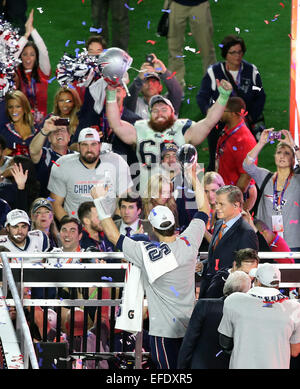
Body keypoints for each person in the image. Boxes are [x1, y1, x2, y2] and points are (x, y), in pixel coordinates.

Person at [91, 165, 210, 369]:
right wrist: (193, 177)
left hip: (163, 332)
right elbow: (204, 209)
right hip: (190, 328)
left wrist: (98, 201)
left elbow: (112, 235)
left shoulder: (146, 252)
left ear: (153, 229)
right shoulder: (190, 241)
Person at [105, 79, 233, 195]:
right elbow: (115, 124)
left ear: (173, 112)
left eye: (164, 109)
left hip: (180, 194)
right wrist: (111, 96)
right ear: (149, 115)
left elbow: (209, 121)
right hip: (148, 194)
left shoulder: (183, 128)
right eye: (155, 110)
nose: (159, 113)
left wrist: (223, 97)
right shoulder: (140, 128)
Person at [196, 34, 266, 171]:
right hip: (219, 126)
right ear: (225, 54)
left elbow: (260, 96)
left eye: (240, 52)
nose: (237, 56)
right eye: (233, 52)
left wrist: (250, 116)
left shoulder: (251, 71)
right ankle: (214, 187)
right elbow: (202, 97)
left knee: (246, 161)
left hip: (243, 125)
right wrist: (211, 115)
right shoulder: (214, 72)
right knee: (216, 160)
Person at [218, 263, 300, 369]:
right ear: (277, 285)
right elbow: (295, 351)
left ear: (258, 282)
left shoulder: (234, 300)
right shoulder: (294, 308)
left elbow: (225, 343)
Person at [48, 127, 133, 221]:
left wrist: (115, 224)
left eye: (93, 144)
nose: (89, 149)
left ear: (100, 146)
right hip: (76, 227)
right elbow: (55, 203)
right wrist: (69, 226)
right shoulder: (63, 165)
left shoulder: (116, 161)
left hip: (109, 224)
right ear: (78, 147)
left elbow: (126, 200)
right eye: (85, 145)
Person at [177, 270, 252, 369]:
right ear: (247, 292)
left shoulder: (204, 305)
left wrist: (181, 366)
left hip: (201, 363)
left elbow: (189, 341)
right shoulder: (248, 313)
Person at [243, 128, 300, 255]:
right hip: (266, 243)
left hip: (293, 245)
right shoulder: (265, 176)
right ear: (274, 156)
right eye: (279, 152)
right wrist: (261, 143)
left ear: (293, 159)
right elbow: (247, 165)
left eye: (287, 153)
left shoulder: (297, 179)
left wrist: (294, 147)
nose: (282, 156)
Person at [199, 185, 259, 298]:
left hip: (227, 297)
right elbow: (218, 256)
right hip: (208, 291)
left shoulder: (246, 232)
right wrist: (203, 265)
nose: (217, 207)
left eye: (221, 204)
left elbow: (247, 271)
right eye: (216, 203)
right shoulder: (218, 224)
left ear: (236, 205)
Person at [216, 96, 257, 210]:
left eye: (223, 110)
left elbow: (246, 175)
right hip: (225, 191)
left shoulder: (244, 140)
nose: (219, 113)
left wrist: (232, 201)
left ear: (233, 114)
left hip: (238, 196)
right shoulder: (228, 130)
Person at [166, 0, 217, 90]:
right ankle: (177, 89)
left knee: (207, 48)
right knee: (174, 48)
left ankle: (212, 86)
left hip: (200, 5)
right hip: (176, 4)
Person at [14, 9, 51, 125]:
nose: (28, 58)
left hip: (41, 126)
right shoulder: (16, 74)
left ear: (36, 57)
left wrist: (32, 30)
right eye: (24, 54)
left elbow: (44, 51)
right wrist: (26, 35)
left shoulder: (43, 72)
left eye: (32, 54)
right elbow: (11, 56)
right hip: (20, 124)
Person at [124, 53, 183, 119]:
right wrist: (140, 78)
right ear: (140, 88)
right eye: (146, 81)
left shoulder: (168, 102)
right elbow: (128, 98)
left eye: (154, 81)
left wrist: (164, 71)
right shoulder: (136, 103)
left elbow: (177, 92)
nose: (150, 84)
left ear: (160, 87)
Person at [29, 115, 74, 197]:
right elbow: (33, 151)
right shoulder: (45, 155)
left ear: (69, 137)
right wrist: (45, 130)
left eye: (62, 130)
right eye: (55, 131)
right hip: (48, 203)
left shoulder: (76, 156)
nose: (59, 133)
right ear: (49, 138)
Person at [0, 90, 38, 157]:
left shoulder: (37, 130)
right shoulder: (3, 131)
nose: (14, 111)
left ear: (25, 108)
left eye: (18, 106)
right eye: (10, 107)